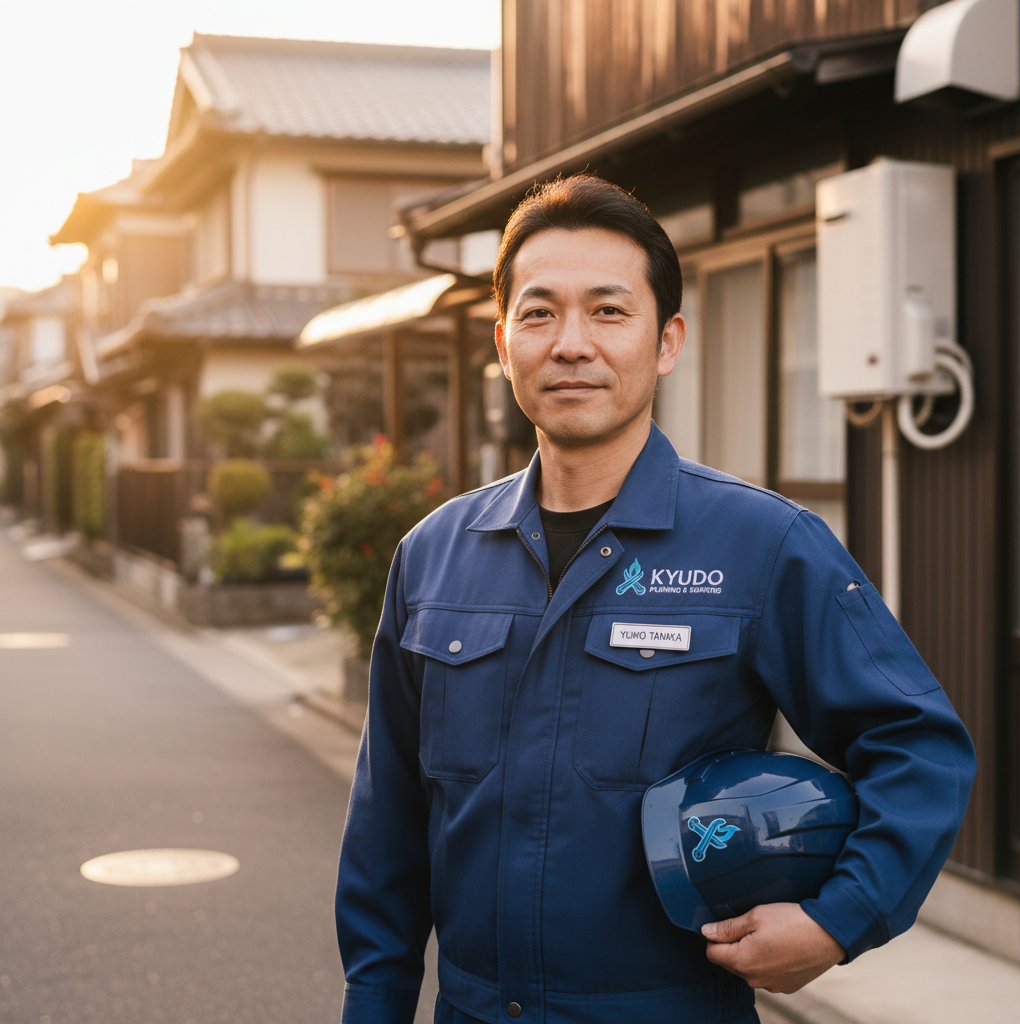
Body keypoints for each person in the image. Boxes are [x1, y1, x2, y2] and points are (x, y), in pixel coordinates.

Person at [335, 175, 976, 1024]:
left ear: (667, 341)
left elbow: (918, 747)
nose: (570, 344)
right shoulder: (435, 557)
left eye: (608, 311)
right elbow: (388, 828)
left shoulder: (762, 545)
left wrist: (835, 920)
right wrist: (373, 1005)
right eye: (538, 313)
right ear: (502, 342)